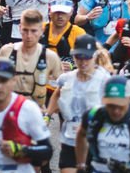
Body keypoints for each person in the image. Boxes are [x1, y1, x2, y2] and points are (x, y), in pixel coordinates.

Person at [47, 35, 109, 173]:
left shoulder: (104, 79)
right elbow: (56, 94)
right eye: (79, 57)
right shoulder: (66, 78)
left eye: (87, 57)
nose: (83, 62)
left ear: (94, 56)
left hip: (95, 141)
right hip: (70, 139)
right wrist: (48, 115)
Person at [0, 9, 63, 108]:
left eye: (33, 31)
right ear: (19, 28)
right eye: (25, 30)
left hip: (37, 112)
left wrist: (49, 112)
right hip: (9, 111)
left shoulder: (50, 57)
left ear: (42, 30)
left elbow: (63, 89)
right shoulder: (7, 51)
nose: (29, 36)